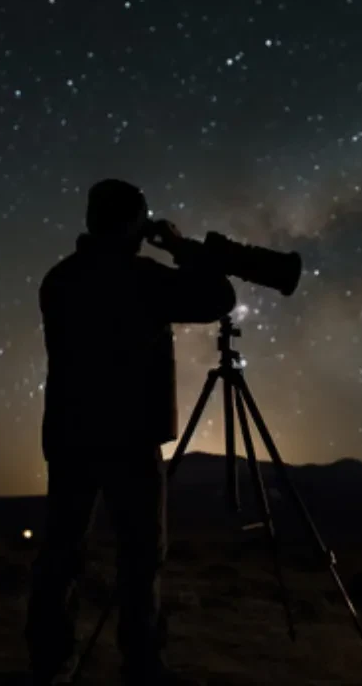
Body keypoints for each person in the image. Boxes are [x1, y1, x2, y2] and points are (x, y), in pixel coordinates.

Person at [25, 179, 236, 686]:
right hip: (131, 439)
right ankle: (142, 666)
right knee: (141, 558)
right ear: (129, 224)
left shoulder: (60, 279)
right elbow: (218, 296)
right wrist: (181, 247)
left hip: (72, 435)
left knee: (62, 553)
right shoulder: (141, 278)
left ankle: (51, 666)